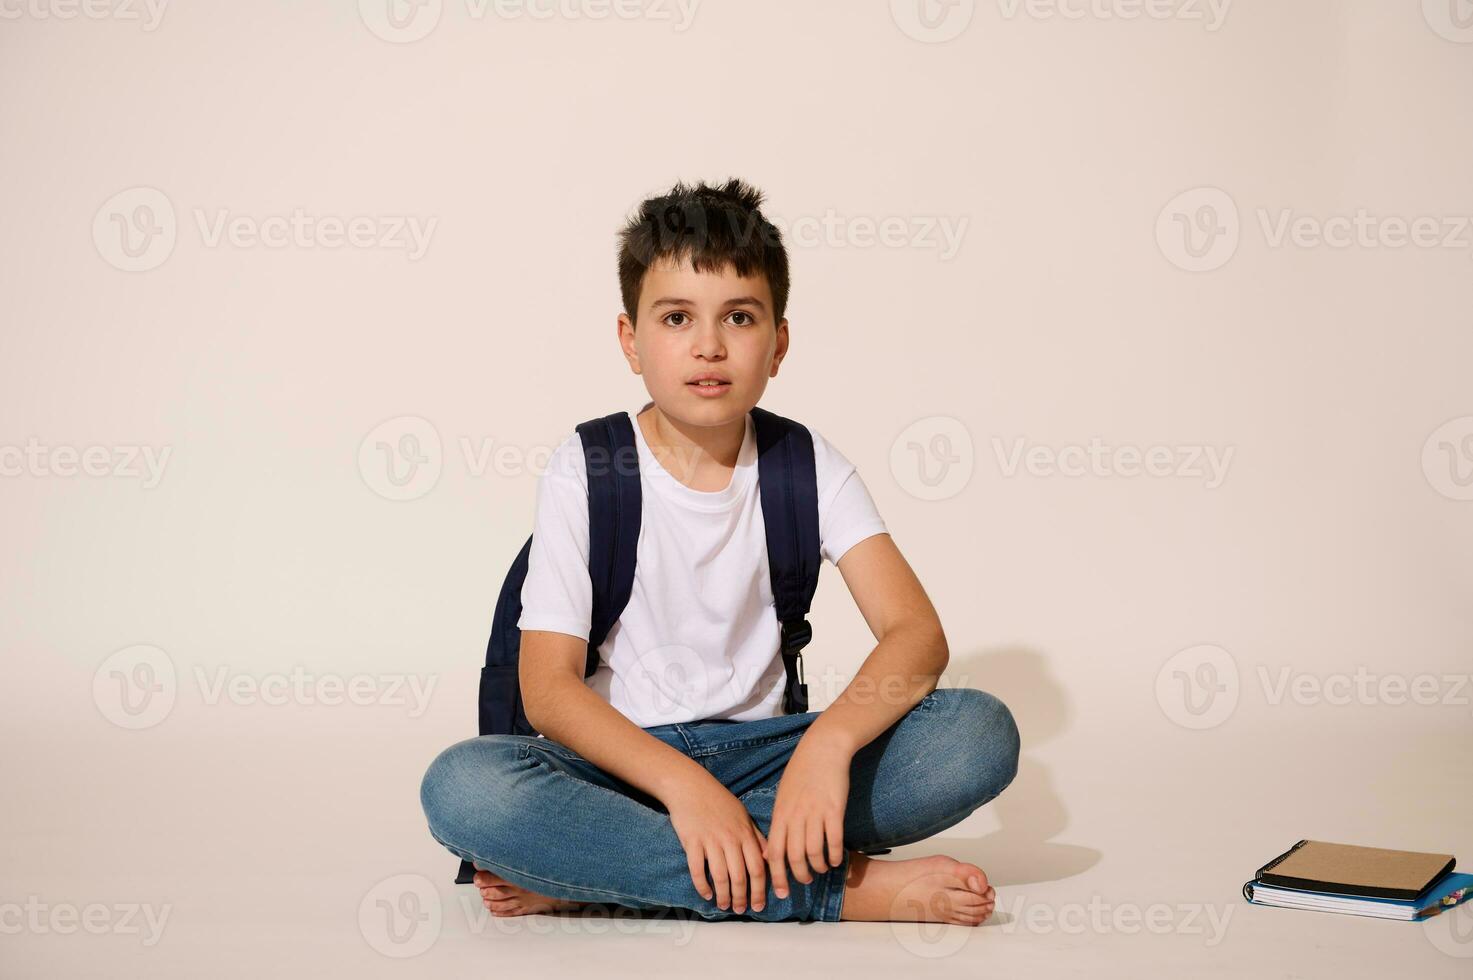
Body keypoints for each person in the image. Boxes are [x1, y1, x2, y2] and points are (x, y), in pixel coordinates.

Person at [419, 178, 1019, 925]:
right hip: (621, 771)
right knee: (464, 787)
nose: (708, 345)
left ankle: (602, 872)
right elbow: (548, 690)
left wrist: (825, 750)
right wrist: (685, 789)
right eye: (676, 318)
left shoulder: (807, 466)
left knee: (975, 735)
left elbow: (916, 636)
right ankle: (837, 890)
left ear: (779, 343)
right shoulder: (588, 463)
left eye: (739, 316)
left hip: (772, 756)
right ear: (630, 341)